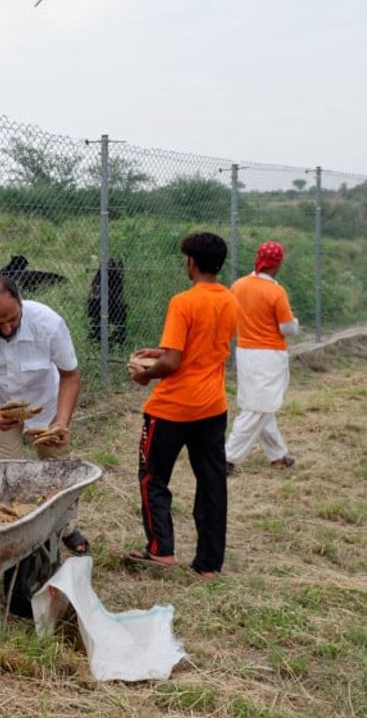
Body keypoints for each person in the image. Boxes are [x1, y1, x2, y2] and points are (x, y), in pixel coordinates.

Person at [125, 232, 239, 578]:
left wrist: (146, 374)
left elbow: (174, 364)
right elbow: (202, 350)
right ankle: (208, 564)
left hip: (172, 409)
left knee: (153, 478)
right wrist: (158, 353)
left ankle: (160, 550)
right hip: (212, 407)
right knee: (212, 482)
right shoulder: (230, 301)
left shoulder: (183, 302)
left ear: (191, 262)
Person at [0, 274, 87, 554]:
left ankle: (65, 528)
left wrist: (61, 421)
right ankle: (18, 536)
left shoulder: (48, 323)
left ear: (21, 303)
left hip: (47, 405)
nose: (7, 327)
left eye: (13, 318)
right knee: (6, 476)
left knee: (56, 471)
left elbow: (70, 375)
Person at [224, 241, 299, 473]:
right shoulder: (276, 291)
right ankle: (226, 458)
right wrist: (295, 324)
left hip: (245, 352)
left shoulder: (238, 285)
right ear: (278, 264)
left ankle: (277, 455)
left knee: (261, 405)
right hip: (269, 355)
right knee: (259, 407)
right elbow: (286, 328)